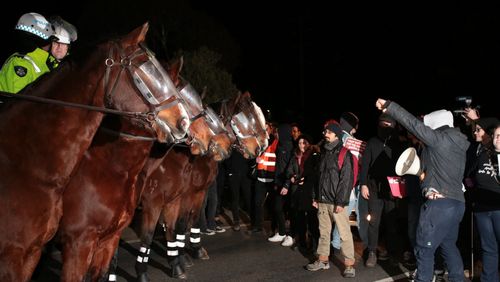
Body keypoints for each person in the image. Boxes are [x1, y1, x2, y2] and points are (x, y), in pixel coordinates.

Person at [375, 98, 469, 282]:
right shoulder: (459, 144)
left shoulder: (439, 139)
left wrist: (389, 106)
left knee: (424, 249)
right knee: (449, 246)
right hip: (457, 204)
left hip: (438, 204)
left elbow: (412, 123)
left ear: (435, 125)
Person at [306, 120, 355, 278]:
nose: (324, 134)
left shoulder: (344, 153)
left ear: (336, 134)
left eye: (328, 132)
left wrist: (340, 202)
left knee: (344, 234)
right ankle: (323, 260)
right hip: (323, 201)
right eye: (325, 132)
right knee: (324, 232)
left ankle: (349, 264)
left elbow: (346, 180)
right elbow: (318, 177)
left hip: (336, 202)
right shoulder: (324, 152)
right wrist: (316, 197)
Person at [358, 113, 407, 267]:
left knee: (391, 222)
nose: (385, 127)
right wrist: (363, 184)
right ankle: (372, 252)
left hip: (392, 191)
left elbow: (404, 167)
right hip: (373, 189)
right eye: (382, 124)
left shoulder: (398, 144)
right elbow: (365, 164)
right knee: (373, 222)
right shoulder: (372, 142)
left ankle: (393, 253)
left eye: (388, 124)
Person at [470, 123, 500, 282]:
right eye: (496, 135)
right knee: (488, 248)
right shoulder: (483, 155)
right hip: (482, 209)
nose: (498, 139)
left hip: (498, 209)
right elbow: (472, 177)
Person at [0, 12, 54, 93]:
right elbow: (17, 103)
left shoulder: (42, 62)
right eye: (52, 41)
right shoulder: (22, 64)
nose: (53, 45)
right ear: (43, 42)